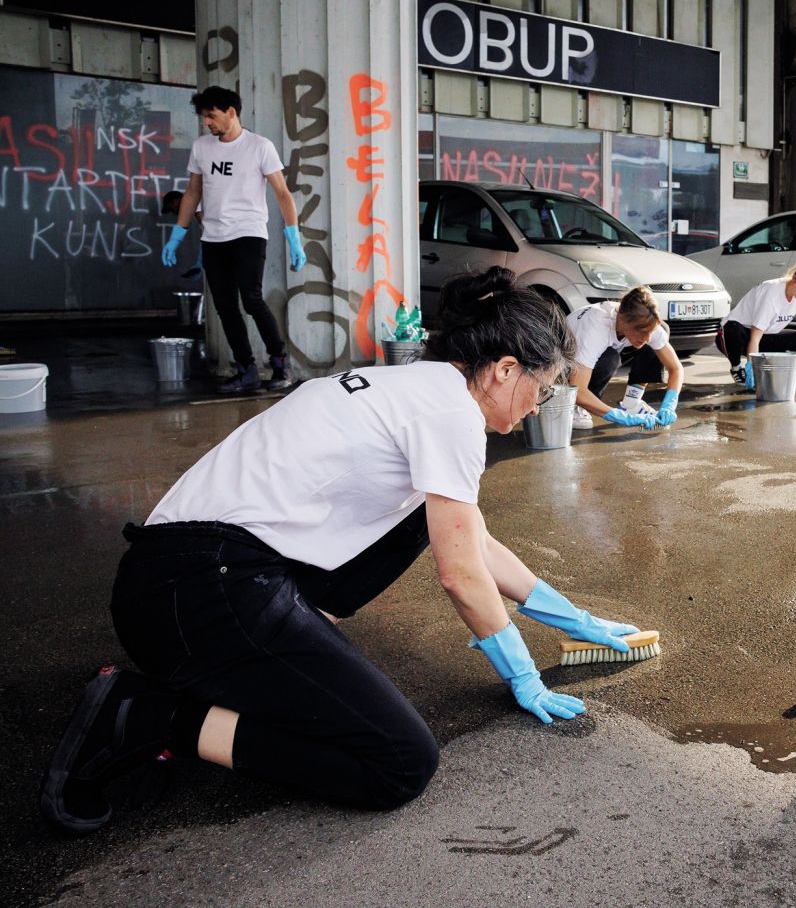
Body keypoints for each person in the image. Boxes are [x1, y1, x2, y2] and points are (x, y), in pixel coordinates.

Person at [40, 269, 644, 834]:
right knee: (399, 762)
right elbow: (460, 573)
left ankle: (287, 649)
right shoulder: (451, 414)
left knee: (420, 520)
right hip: (203, 595)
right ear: (504, 370)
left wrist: (571, 617)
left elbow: (472, 540)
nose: (536, 407)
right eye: (539, 390)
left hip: (175, 585)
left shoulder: (408, 385)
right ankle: (151, 716)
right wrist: (522, 674)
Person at [164, 87, 308, 394]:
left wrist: (293, 235)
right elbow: (192, 192)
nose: (207, 123)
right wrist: (177, 234)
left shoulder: (259, 146)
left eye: (211, 116)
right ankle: (246, 370)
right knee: (225, 307)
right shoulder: (202, 147)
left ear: (231, 111)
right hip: (214, 237)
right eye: (204, 117)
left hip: (248, 233)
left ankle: (280, 363)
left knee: (252, 299)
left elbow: (282, 192)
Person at [567, 286, 684, 430]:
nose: (646, 338)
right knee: (610, 359)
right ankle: (571, 407)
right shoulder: (595, 328)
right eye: (641, 331)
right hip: (561, 367)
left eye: (650, 331)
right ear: (622, 319)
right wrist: (620, 417)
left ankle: (631, 403)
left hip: (596, 353)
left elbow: (676, 368)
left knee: (658, 340)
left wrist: (669, 405)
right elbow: (577, 390)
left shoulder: (642, 323)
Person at [718, 255, 796, 388]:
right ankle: (736, 368)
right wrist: (752, 368)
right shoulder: (772, 293)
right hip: (740, 336)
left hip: (766, 336)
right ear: (794, 278)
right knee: (732, 329)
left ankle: (771, 365)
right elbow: (755, 336)